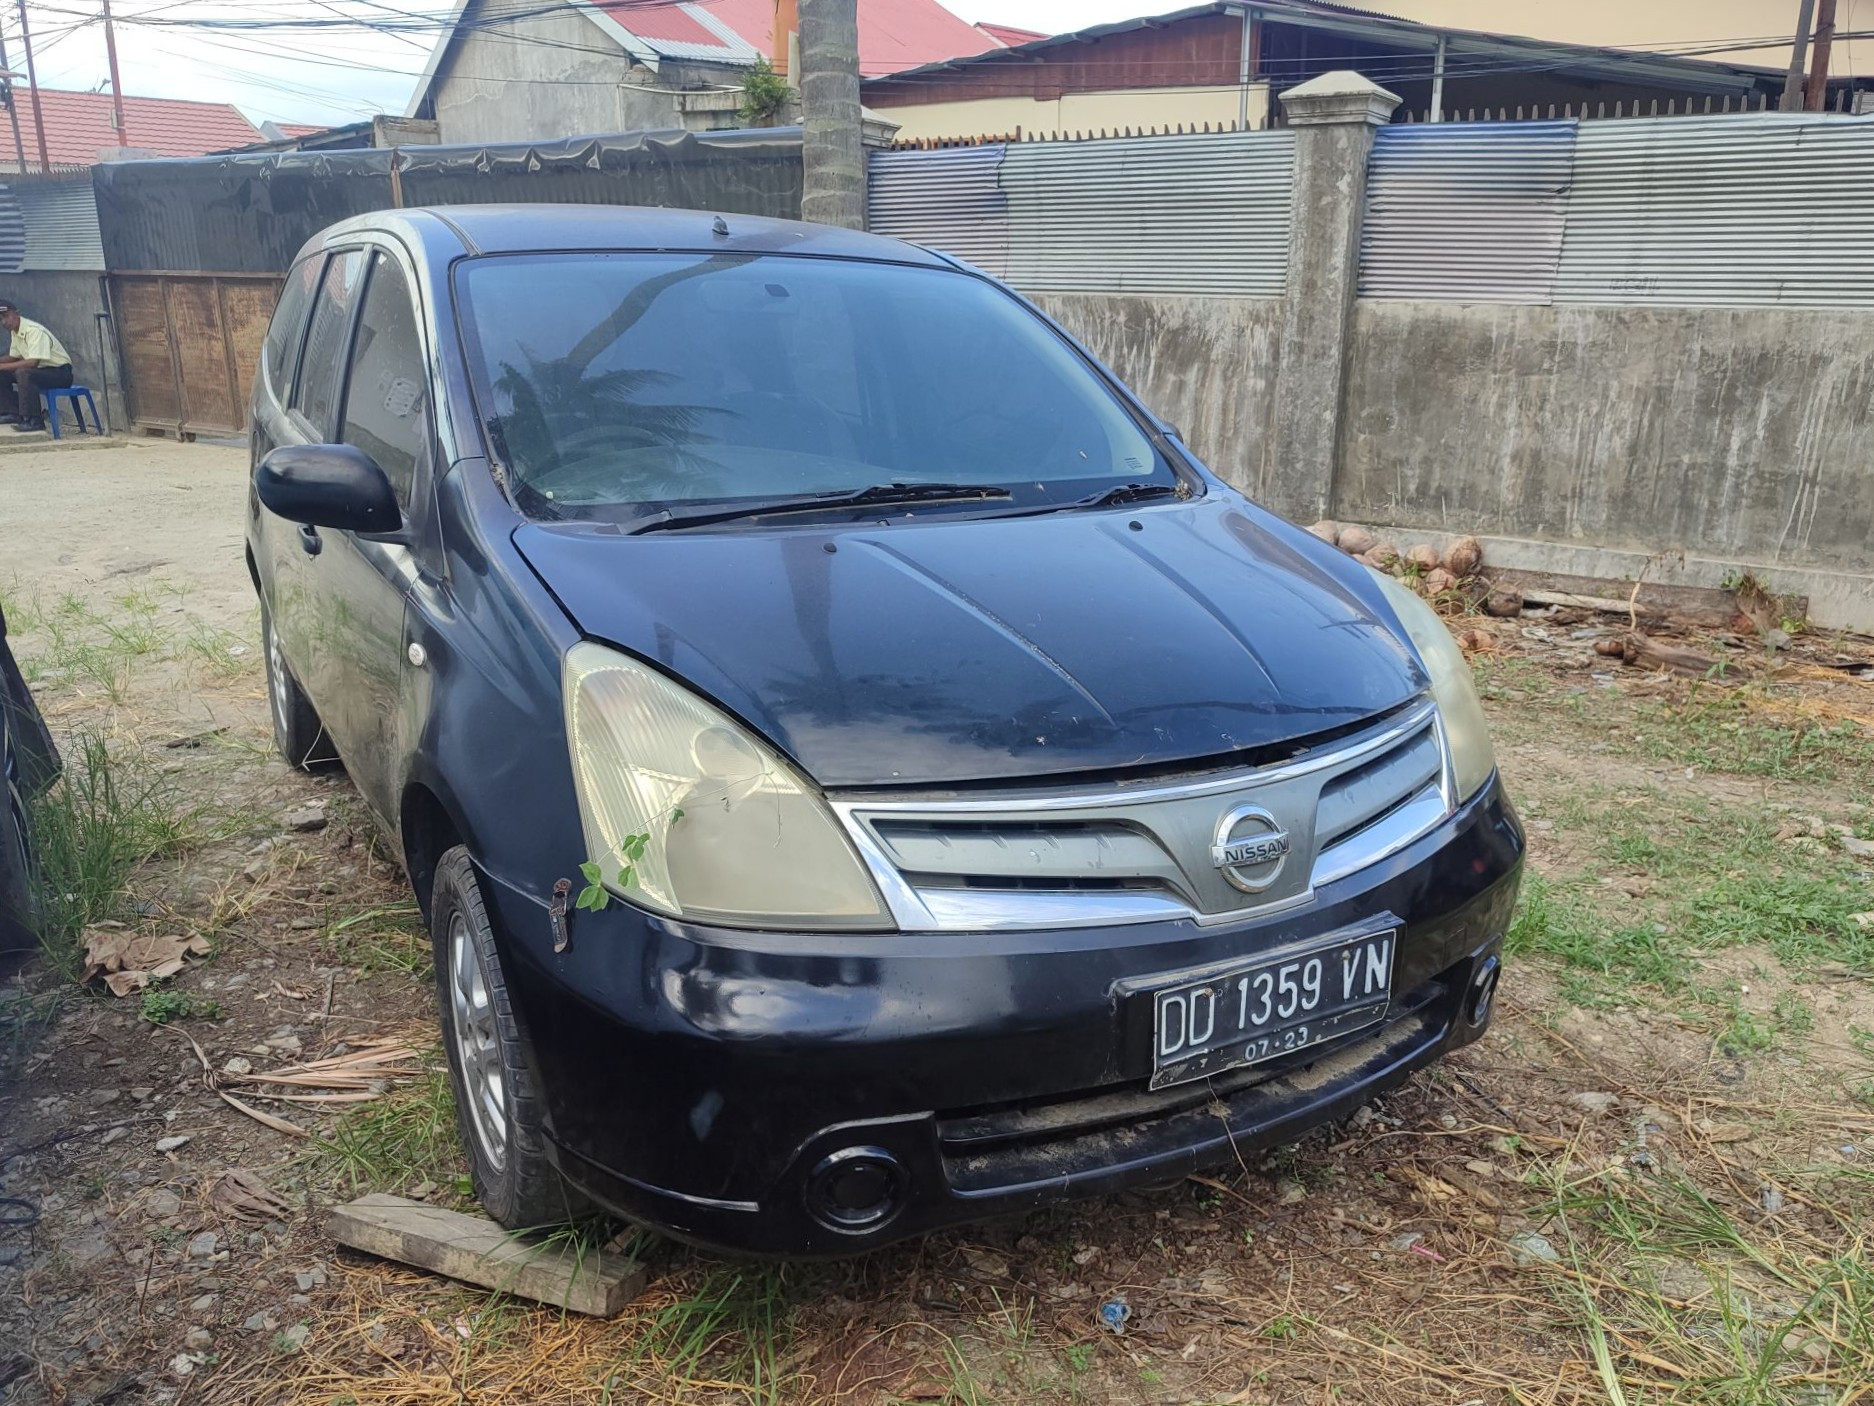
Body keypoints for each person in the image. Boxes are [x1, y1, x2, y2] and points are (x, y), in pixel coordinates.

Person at [0, 301, 73, 432]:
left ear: (16, 314)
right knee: (6, 373)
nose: (4, 322)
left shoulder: (33, 331)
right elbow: (14, 356)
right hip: (41, 372)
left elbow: (33, 362)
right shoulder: (15, 332)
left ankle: (34, 421)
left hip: (61, 373)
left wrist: (3, 366)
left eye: (6, 316)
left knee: (23, 373)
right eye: (1, 319)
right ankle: (12, 412)